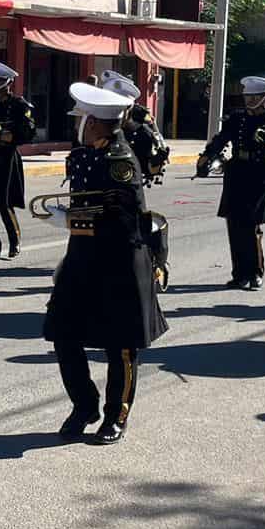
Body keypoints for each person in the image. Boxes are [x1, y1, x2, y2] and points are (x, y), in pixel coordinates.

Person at [43, 81, 167, 445]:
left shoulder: (120, 162)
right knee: (63, 333)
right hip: (83, 258)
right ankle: (84, 405)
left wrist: (69, 220)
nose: (76, 124)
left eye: (81, 118)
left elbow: (124, 220)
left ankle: (116, 415)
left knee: (121, 346)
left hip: (120, 263)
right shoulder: (86, 154)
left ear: (96, 122)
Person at [196, 76, 265, 290]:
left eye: (255, 96)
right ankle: (239, 273)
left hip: (260, 174)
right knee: (234, 224)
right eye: (247, 96)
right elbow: (221, 139)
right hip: (236, 172)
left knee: (251, 226)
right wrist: (206, 157)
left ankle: (255, 273)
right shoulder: (236, 119)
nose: (250, 100)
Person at [0, 61, 35, 260]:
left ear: (9, 83)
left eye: (0, 80)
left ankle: (14, 241)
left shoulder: (20, 105)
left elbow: (28, 132)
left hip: (7, 157)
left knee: (4, 202)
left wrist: (7, 136)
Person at [101, 70, 168, 183]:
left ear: (128, 109)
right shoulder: (95, 129)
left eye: (119, 107)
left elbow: (149, 169)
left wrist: (156, 162)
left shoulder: (141, 134)